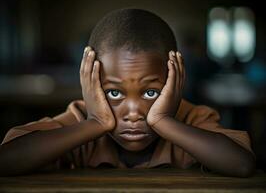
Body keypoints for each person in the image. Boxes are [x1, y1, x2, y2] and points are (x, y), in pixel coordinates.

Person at [0, 9, 255, 177]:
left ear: (176, 81)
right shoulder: (81, 117)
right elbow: (6, 160)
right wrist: (96, 123)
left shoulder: (190, 117)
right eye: (113, 94)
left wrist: (163, 121)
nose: (133, 113)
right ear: (90, 84)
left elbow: (242, 164)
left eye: (151, 93)